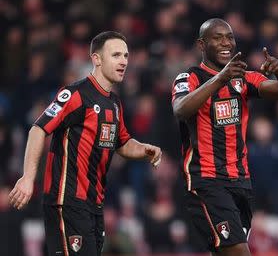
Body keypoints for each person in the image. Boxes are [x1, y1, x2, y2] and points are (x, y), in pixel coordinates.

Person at [8, 31, 162, 256]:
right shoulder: (74, 94)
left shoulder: (115, 104)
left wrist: (144, 149)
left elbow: (122, 143)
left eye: (126, 56)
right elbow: (38, 129)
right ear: (96, 59)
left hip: (94, 206)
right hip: (67, 202)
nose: (123, 61)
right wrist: (28, 177)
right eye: (116, 55)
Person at [171, 18, 278, 256]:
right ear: (201, 44)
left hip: (240, 180)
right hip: (206, 180)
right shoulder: (189, 78)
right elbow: (181, 110)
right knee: (239, 251)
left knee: (223, 252)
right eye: (217, 38)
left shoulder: (244, 77)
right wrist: (220, 78)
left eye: (229, 37)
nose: (225, 43)